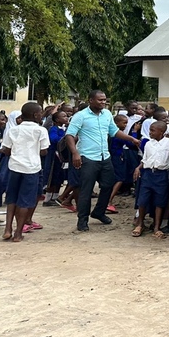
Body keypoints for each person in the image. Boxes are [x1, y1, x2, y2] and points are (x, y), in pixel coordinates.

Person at [65, 90, 141, 232]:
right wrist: (75, 152)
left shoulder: (107, 114)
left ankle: (99, 212)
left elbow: (114, 131)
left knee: (108, 186)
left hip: (104, 157)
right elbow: (69, 135)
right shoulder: (80, 116)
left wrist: (131, 139)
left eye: (104, 100)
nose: (103, 102)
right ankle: (82, 220)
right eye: (100, 100)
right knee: (86, 190)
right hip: (88, 157)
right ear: (91, 100)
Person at [1, 102, 49, 242]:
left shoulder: (13, 130)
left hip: (14, 167)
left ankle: (7, 229)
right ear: (35, 115)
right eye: (40, 113)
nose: (41, 115)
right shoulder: (40, 130)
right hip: (32, 168)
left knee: (12, 199)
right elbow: (44, 151)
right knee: (25, 200)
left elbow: (6, 150)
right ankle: (18, 234)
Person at [132, 121, 169, 239]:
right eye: (150, 130)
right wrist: (138, 168)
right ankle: (140, 224)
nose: (150, 133)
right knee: (142, 199)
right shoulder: (149, 144)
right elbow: (145, 159)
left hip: (161, 174)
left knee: (159, 201)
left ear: (162, 132)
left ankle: (156, 227)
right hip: (148, 174)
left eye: (153, 130)